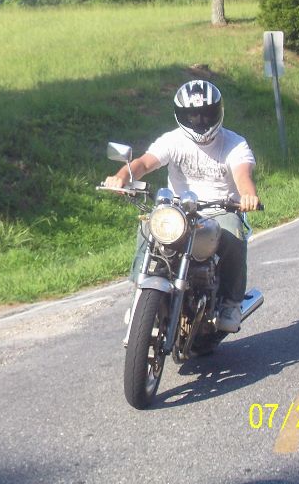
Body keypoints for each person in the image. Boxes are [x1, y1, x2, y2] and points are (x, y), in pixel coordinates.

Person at [103, 80, 261, 333]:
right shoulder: (172, 140)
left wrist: (248, 196)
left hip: (220, 211)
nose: (200, 120)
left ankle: (231, 304)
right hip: (179, 212)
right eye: (193, 115)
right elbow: (144, 163)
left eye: (206, 113)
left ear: (218, 112)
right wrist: (122, 176)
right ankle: (140, 295)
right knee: (148, 228)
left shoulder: (234, 144)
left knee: (233, 233)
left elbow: (243, 175)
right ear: (181, 115)